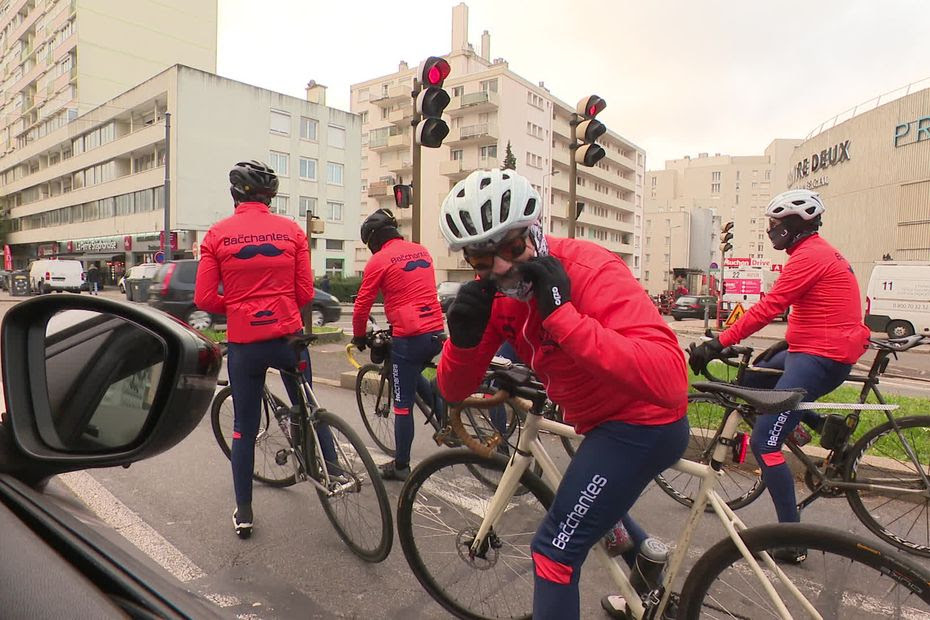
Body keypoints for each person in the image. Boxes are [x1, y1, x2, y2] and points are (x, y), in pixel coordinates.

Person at [435, 169, 689, 620]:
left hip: (643, 423)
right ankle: (648, 569)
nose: (500, 269)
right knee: (588, 498)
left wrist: (564, 317)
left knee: (553, 552)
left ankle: (646, 571)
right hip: (600, 425)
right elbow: (453, 390)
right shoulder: (497, 298)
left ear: (535, 231)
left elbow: (671, 380)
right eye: (481, 260)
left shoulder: (592, 269)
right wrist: (463, 341)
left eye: (512, 249)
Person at [689, 188, 870, 563]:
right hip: (811, 349)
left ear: (793, 225)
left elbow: (771, 306)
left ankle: (792, 537)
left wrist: (719, 342)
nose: (771, 230)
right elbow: (817, 310)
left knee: (764, 444)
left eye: (774, 224)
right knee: (754, 381)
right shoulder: (813, 252)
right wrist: (783, 347)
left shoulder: (810, 257)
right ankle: (814, 424)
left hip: (821, 358)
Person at [194, 160, 321, 539]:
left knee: (243, 429)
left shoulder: (217, 235)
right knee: (310, 408)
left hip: (247, 344)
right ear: (271, 196)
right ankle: (330, 466)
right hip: (288, 336)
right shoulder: (292, 231)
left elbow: (203, 297)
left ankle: (245, 512)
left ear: (234, 195)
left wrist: (237, 306)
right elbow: (305, 294)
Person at [351, 208, 445, 481]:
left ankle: (401, 465)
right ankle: (446, 427)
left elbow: (361, 307)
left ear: (373, 239)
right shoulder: (421, 250)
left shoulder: (380, 260)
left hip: (409, 336)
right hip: (435, 332)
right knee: (415, 377)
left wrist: (358, 337)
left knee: (402, 405)